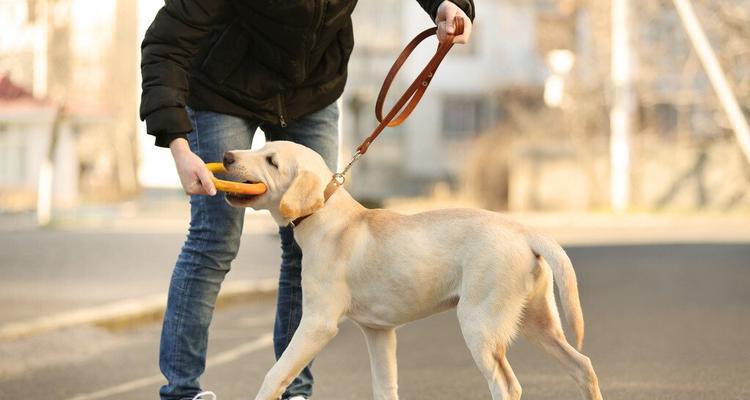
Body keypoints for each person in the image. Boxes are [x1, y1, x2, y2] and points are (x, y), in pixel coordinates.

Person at [140, 1, 474, 399]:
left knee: (314, 239)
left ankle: (292, 391)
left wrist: (448, 2)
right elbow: (165, 42)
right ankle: (181, 391)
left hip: (310, 93)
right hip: (222, 91)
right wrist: (178, 145)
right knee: (215, 238)